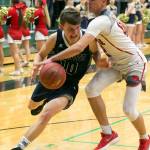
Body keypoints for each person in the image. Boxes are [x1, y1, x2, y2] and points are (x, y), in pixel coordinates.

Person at [37, 0, 150, 149]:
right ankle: (108, 134)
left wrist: (51, 59)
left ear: (104, 1)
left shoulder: (101, 20)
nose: (88, 1)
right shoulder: (105, 17)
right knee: (91, 89)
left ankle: (145, 139)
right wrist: (101, 58)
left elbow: (78, 47)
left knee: (128, 109)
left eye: (92, 0)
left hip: (134, 64)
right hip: (116, 63)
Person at [11, 7, 99, 150]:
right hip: (48, 80)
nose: (75, 32)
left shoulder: (88, 39)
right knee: (31, 107)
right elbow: (40, 54)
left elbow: (96, 54)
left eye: (77, 28)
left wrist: (101, 65)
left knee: (47, 112)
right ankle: (41, 102)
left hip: (69, 85)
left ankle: (20, 146)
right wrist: (36, 65)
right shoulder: (55, 38)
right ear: (61, 26)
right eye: (71, 29)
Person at [6, 0, 23, 76]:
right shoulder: (20, 10)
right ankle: (20, 68)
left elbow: (8, 23)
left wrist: (4, 18)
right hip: (19, 33)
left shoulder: (11, 10)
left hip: (12, 33)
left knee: (14, 53)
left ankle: (17, 70)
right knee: (17, 52)